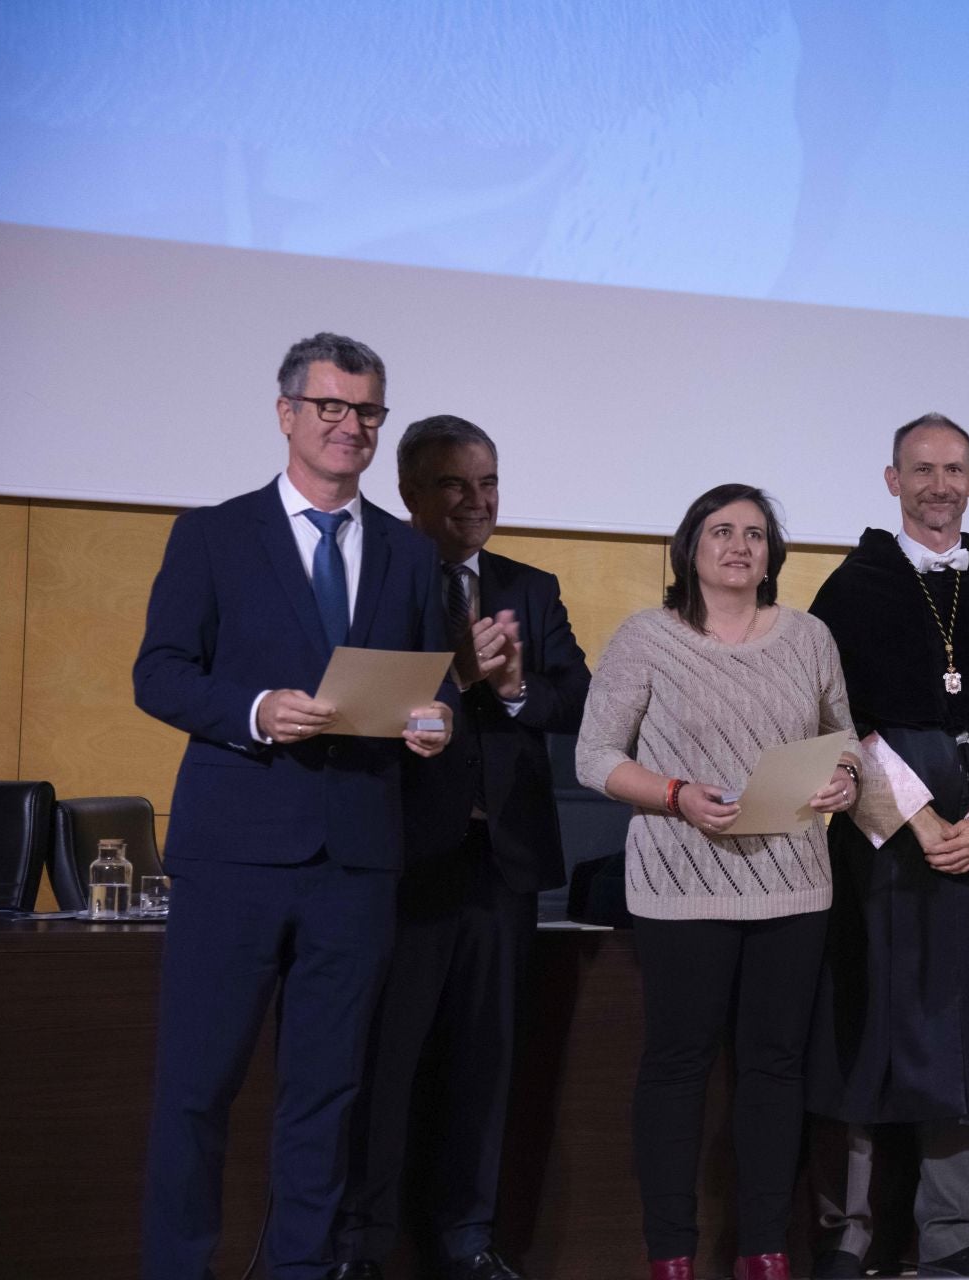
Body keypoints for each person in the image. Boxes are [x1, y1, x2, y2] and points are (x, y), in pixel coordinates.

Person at [134, 333, 454, 1280]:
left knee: (325, 1095)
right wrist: (255, 712)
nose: (350, 427)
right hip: (233, 856)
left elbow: (430, 691)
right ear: (286, 415)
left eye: (366, 412)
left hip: (356, 862)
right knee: (196, 1089)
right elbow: (159, 675)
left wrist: (436, 726)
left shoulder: (407, 551)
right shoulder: (212, 534)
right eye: (331, 409)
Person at [806, 413, 969, 1279]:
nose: (938, 485)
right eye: (921, 470)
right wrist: (918, 821)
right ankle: (847, 1233)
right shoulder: (853, 589)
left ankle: (950, 1234)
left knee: (965, 1040)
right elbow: (841, 723)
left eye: (954, 469)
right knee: (867, 1030)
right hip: (882, 852)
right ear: (892, 480)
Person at [575, 483, 860, 1280]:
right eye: (722, 531)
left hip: (795, 883)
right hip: (680, 883)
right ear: (690, 548)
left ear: (772, 553)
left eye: (756, 534)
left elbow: (847, 741)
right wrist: (674, 795)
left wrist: (842, 777)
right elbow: (594, 757)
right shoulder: (647, 638)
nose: (740, 545)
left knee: (774, 1069)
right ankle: (670, 1253)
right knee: (676, 1065)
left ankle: (763, 1252)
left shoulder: (809, 637)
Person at [332, 417, 590, 1280]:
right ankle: (364, 1246)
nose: (476, 502)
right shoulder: (376, 577)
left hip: (502, 861)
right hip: (401, 859)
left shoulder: (532, 586)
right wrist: (459, 675)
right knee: (387, 1061)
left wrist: (516, 686)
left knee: (488, 1061)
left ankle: (467, 1240)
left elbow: (577, 699)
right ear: (408, 494)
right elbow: (359, 699)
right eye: (454, 485)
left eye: (487, 483)